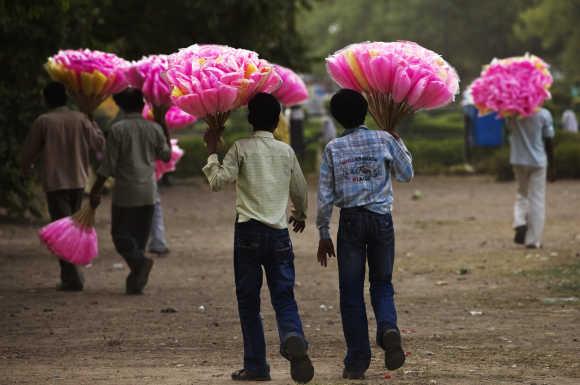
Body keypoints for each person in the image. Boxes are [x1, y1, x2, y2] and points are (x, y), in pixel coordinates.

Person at [202, 93, 314, 383]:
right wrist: (299, 215)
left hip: (248, 233)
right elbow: (300, 190)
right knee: (284, 296)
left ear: (249, 118)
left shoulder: (240, 148)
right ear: (278, 120)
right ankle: (292, 335)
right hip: (279, 234)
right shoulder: (286, 152)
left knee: (249, 302)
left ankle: (256, 366)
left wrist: (212, 150)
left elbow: (217, 182)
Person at [316, 89, 413, 380]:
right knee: (382, 283)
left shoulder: (333, 148)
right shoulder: (384, 139)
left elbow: (325, 196)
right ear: (366, 111)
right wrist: (398, 139)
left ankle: (357, 361)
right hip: (381, 220)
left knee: (351, 292)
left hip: (351, 223)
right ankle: (388, 327)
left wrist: (323, 233)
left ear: (337, 117)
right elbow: (406, 174)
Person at [21, 82, 105, 291]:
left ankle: (71, 277)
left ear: (46, 99)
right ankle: (72, 274)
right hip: (78, 180)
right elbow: (99, 145)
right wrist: (92, 122)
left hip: (55, 182)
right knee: (73, 230)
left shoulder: (44, 121)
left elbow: (29, 151)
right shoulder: (81, 118)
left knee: (62, 232)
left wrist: (26, 168)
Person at [89, 88, 171, 294]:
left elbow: (108, 166)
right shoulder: (154, 129)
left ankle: (140, 266)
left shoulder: (117, 130)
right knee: (139, 239)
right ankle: (136, 280)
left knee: (120, 235)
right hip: (148, 192)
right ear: (143, 105)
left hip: (125, 193)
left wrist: (95, 190)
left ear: (121, 106)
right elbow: (167, 156)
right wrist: (163, 126)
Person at [509, 107, 555, 249]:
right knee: (537, 199)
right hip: (538, 162)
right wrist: (553, 165)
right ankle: (532, 240)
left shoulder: (511, 113)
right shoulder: (544, 113)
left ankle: (520, 222)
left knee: (522, 193)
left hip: (518, 159)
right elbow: (549, 140)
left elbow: (508, 132)